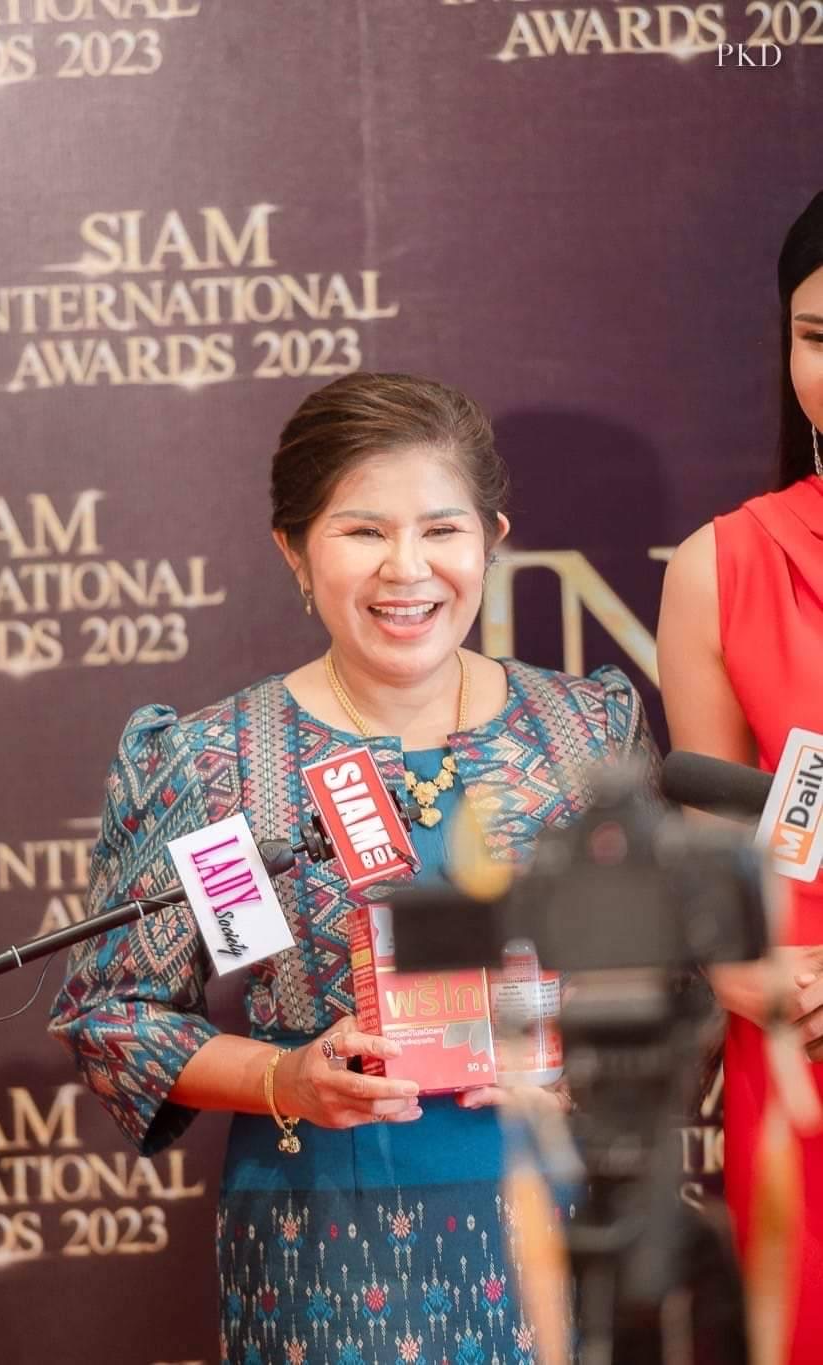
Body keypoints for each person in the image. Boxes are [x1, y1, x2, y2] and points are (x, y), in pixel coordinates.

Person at [51, 371, 658, 1365]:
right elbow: (116, 1015)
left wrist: (586, 1078)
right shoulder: (217, 762)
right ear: (294, 549)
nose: (406, 568)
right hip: (325, 1249)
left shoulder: (586, 733)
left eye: (441, 529)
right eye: (363, 530)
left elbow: (668, 976)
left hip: (568, 1227)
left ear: (492, 540)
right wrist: (287, 1077)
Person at [657, 192, 823, 1365]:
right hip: (802, 1060)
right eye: (815, 338)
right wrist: (757, 984)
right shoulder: (726, 564)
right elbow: (707, 871)